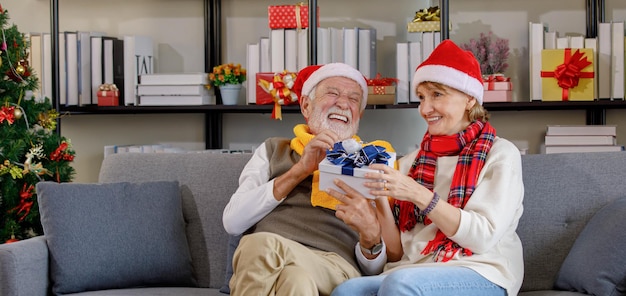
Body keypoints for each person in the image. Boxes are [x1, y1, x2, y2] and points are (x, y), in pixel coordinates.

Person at [328, 40, 524, 296]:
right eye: (421, 97)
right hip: (415, 269)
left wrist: (417, 193)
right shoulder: (412, 161)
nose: (424, 108)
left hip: (482, 270)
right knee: (348, 291)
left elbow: (482, 237)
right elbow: (398, 252)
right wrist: (378, 205)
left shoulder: (500, 154)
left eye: (437, 95)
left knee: (399, 285)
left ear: (468, 98)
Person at [222, 62, 396, 296]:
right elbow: (233, 222)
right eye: (333, 93)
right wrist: (300, 170)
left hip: (333, 265)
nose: (344, 103)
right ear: (306, 105)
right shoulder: (274, 149)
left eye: (354, 99)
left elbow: (375, 269)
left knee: (258, 244)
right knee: (296, 281)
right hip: (268, 263)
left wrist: (370, 236)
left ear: (360, 114)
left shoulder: (374, 160)